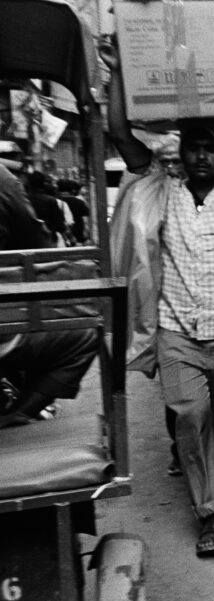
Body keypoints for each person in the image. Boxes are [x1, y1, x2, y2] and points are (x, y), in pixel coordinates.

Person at [100, 33, 214, 558]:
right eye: (193, 145)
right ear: (182, 151)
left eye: (210, 146)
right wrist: (118, 72)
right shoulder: (162, 185)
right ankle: (208, 514)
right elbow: (118, 130)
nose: (200, 154)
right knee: (191, 417)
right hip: (178, 334)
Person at [1, 164, 98, 428]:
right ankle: (21, 411)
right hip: (8, 322)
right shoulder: (4, 180)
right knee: (85, 333)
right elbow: (37, 243)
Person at [25, 172, 67, 247]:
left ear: (28, 183)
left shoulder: (24, 200)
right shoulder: (51, 201)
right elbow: (60, 225)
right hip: (49, 242)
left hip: (28, 243)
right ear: (43, 184)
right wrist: (66, 239)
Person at [57, 178, 90, 245]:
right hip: (78, 235)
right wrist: (86, 234)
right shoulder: (80, 202)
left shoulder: (55, 201)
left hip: (61, 237)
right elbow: (85, 221)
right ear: (72, 190)